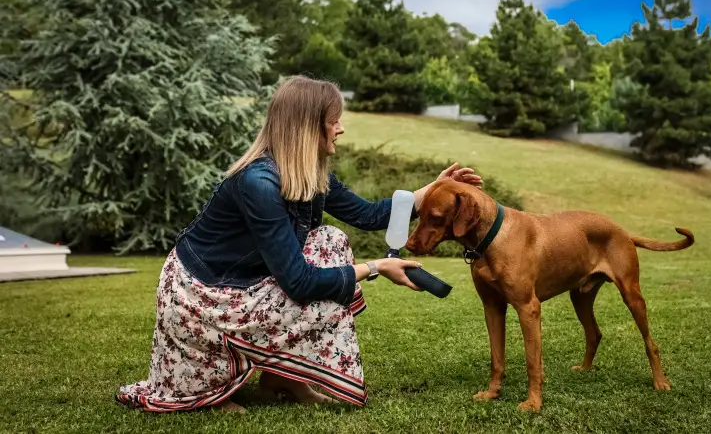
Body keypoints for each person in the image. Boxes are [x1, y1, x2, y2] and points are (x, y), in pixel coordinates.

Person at [115, 76, 484, 413]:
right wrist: (376, 268)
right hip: (203, 294)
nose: (340, 128)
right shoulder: (259, 183)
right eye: (333, 120)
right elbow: (298, 282)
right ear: (308, 126)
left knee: (330, 240)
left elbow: (371, 215)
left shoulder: (312, 173)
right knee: (328, 258)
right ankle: (210, 390)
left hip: (244, 279)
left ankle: (284, 381)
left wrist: (430, 192)